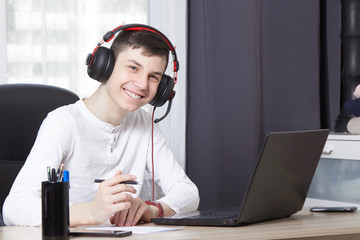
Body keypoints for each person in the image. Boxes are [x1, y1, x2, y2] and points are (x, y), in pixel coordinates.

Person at [3, 24, 200, 226]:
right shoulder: (63, 123)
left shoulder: (144, 124)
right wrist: (89, 212)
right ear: (105, 65)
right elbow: (14, 208)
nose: (142, 84)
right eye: (133, 67)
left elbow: (188, 192)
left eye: (154, 77)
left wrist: (152, 209)